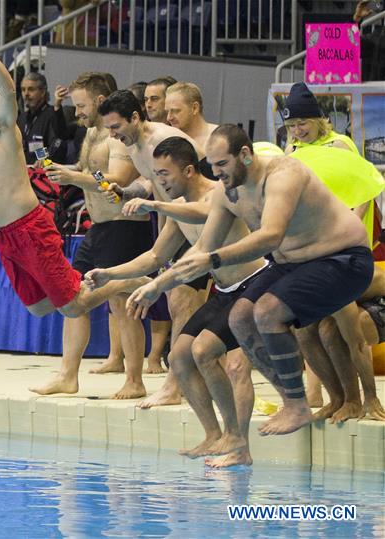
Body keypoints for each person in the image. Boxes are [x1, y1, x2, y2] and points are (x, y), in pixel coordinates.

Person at [171, 124, 373, 436]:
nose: (216, 172)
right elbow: (204, 239)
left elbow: (270, 235)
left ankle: (359, 398)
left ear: (245, 155)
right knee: (261, 322)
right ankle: (304, 400)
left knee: (339, 331)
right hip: (295, 263)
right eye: (211, 166)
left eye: (222, 165)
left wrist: (212, 258)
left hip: (341, 258)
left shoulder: (288, 172)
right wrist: (155, 285)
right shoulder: (238, 188)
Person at [90, 137, 268, 467]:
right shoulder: (177, 205)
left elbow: (204, 213)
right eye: (155, 176)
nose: (160, 183)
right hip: (226, 292)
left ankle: (241, 447)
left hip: (255, 287)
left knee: (235, 365)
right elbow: (156, 255)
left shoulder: (218, 193)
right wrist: (110, 274)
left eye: (164, 175)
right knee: (182, 357)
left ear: (188, 170)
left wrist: (156, 206)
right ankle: (216, 434)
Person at [0, 12, 100, 318]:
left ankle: (121, 284)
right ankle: (83, 282)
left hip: (29, 228)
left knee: (72, 307)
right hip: (2, 234)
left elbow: (8, 90)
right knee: (39, 307)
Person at [29, 72, 152, 399]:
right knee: (72, 299)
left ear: (100, 101)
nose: (77, 112)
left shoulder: (117, 137)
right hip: (97, 228)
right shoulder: (92, 133)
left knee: (122, 302)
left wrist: (72, 176)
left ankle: (135, 380)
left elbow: (121, 179)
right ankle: (68, 375)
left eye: (81, 105)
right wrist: (68, 174)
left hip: (125, 227)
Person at [98, 89, 208, 409]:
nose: (113, 135)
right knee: (180, 303)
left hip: (204, 221)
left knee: (183, 302)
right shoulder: (135, 145)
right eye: (108, 129)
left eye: (116, 127)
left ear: (135, 118)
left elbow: (197, 188)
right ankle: (183, 381)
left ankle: (176, 384)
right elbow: (160, 193)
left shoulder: (164, 142)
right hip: (179, 221)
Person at [282, 82, 358, 155]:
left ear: (317, 121)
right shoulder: (291, 150)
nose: (297, 132)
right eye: (291, 125)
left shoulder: (339, 145)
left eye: (302, 124)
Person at [17, 72, 61, 164]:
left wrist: (42, 159)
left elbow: (55, 144)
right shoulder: (22, 118)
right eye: (23, 90)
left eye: (31, 89)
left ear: (42, 92)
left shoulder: (52, 115)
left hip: (43, 171)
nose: (26, 94)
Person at [164, 82, 218, 150]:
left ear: (194, 108)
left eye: (175, 111)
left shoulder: (220, 138)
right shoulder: (167, 141)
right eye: (167, 112)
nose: (169, 118)